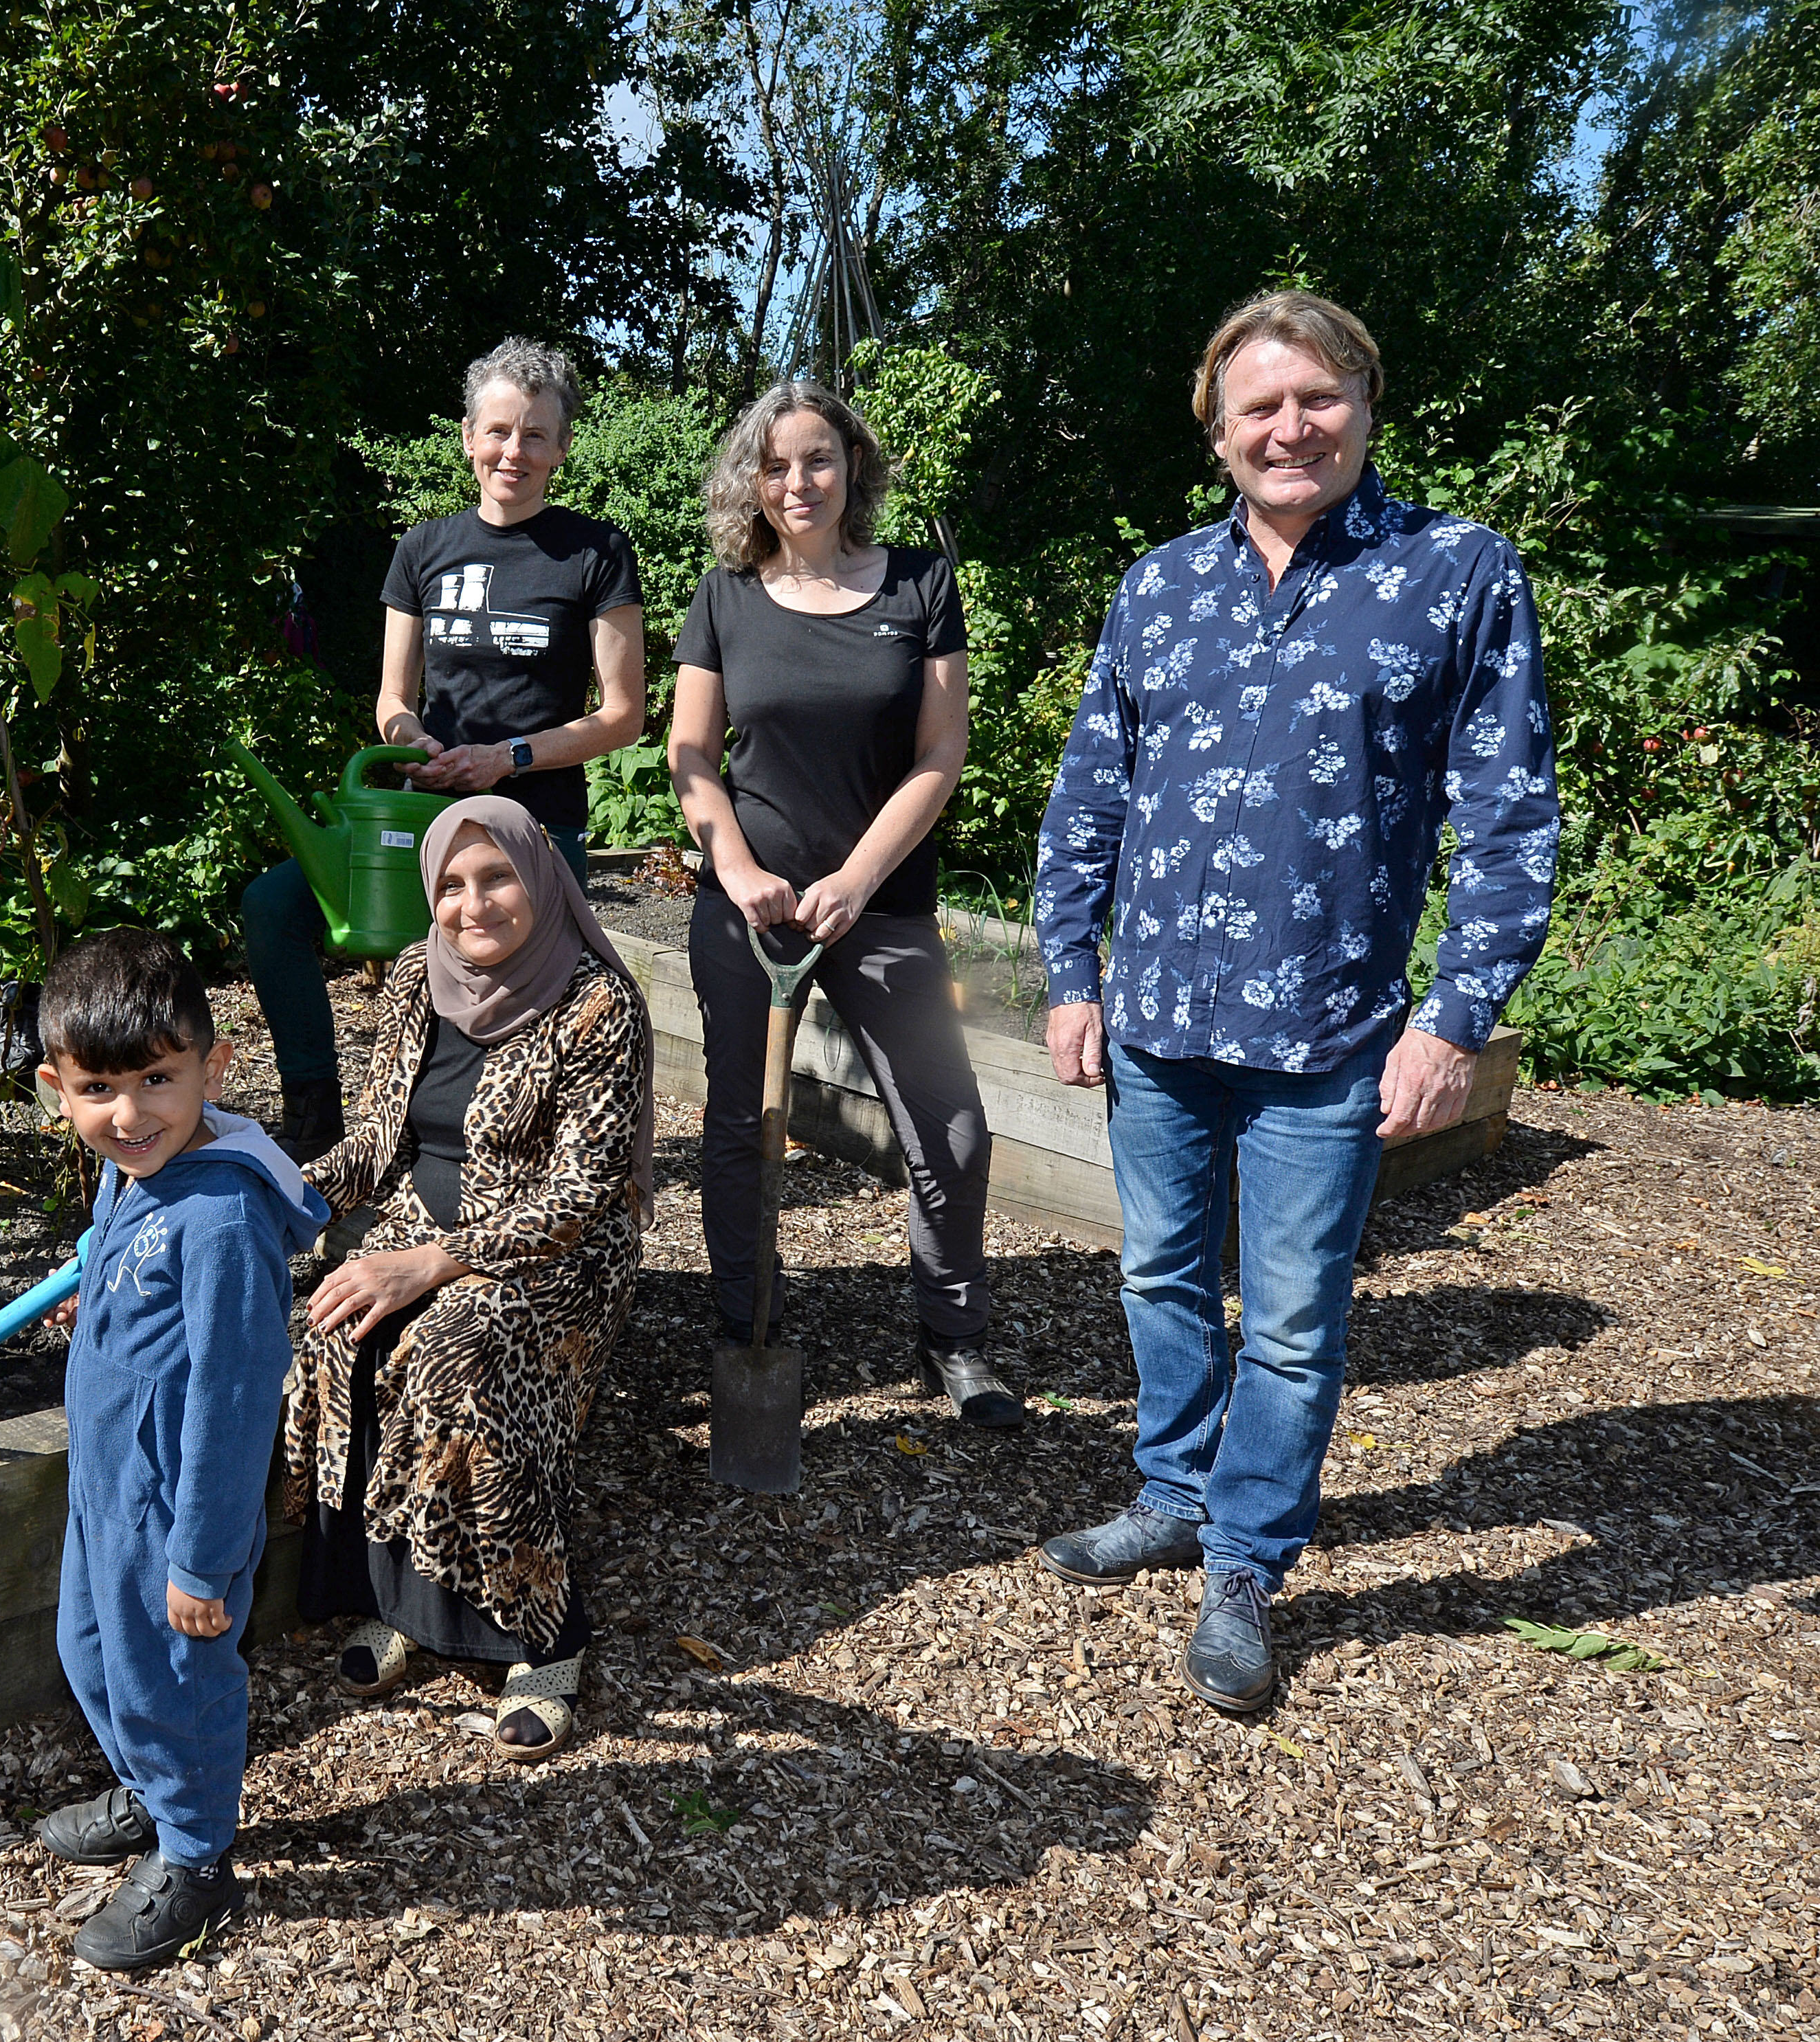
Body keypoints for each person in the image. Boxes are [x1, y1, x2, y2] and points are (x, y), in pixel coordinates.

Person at [1033, 289, 1557, 1712]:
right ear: (1216, 435)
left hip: (1328, 1034)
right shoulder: (1157, 587)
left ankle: (1245, 1560)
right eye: (1256, 407)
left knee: (1289, 1318)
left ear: (1364, 408)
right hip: (1155, 1022)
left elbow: (1506, 820)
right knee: (1153, 1276)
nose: (1288, 428)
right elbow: (1090, 792)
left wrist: (1454, 1020)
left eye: (1314, 399)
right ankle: (1171, 1488)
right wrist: (1065, 974)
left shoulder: (1453, 575)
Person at [667, 379, 1015, 1428]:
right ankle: (745, 1321)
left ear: (850, 466)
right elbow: (689, 754)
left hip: (885, 902)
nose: (796, 482)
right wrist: (733, 869)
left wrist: (857, 880)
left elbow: (939, 755)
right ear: (751, 481)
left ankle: (953, 1339)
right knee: (740, 1122)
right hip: (750, 906)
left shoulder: (918, 585)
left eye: (815, 459)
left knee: (949, 1127)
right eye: (773, 465)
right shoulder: (725, 594)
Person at [282, 796, 653, 1761]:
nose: (470, 904)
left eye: (494, 877)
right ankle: (411, 1603)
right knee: (334, 1322)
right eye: (450, 883)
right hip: (422, 1226)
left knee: (456, 1346)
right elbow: (374, 1141)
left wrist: (432, 1265)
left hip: (557, 1255)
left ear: (539, 878)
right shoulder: (414, 977)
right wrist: (271, 1199)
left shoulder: (597, 1004)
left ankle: (544, 1634)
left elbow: (584, 1190)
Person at [242, 337, 647, 1160]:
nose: (515, 452)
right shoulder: (422, 550)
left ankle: (503, 1153)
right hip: (422, 819)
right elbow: (392, 700)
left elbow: (624, 716)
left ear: (562, 448)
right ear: (468, 437)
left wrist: (509, 760)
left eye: (537, 435)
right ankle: (316, 1106)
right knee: (273, 906)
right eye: (499, 431)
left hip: (533, 827)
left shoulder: (596, 554)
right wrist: (417, 742)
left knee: (502, 1005)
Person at [27, 931, 333, 1971]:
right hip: (107, 1487)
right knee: (90, 1654)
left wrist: (201, 1557)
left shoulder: (219, 1218)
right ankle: (154, 1792)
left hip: (173, 1510)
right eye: (98, 1089)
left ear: (214, 1065)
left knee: (171, 1680)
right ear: (53, 1089)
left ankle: (197, 1857)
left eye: (158, 1080)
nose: (128, 1114)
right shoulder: (134, 1170)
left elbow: (236, 1396)